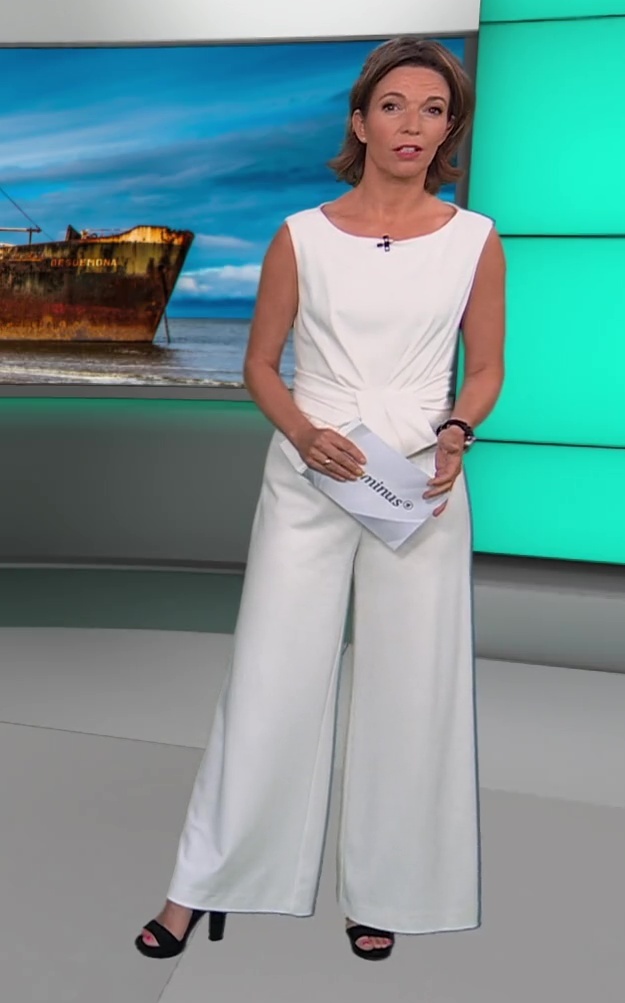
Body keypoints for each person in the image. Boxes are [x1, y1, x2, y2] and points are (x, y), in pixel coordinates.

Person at [135, 35, 505, 962]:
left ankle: (387, 889)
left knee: (413, 687)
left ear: (449, 129)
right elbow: (261, 365)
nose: (412, 123)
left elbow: (485, 367)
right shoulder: (299, 234)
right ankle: (204, 883)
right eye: (393, 105)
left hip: (417, 481)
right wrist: (303, 435)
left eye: (432, 109)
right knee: (269, 677)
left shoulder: (474, 239)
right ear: (359, 121)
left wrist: (456, 431)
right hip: (310, 471)